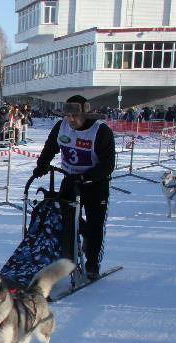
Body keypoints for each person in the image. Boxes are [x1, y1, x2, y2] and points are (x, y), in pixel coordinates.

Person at [33, 95, 116, 280]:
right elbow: (50, 148)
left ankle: (92, 263)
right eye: (67, 115)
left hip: (96, 184)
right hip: (71, 180)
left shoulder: (100, 131)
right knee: (67, 218)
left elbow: (107, 165)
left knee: (96, 224)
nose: (70, 120)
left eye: (75, 116)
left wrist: (86, 177)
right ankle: (76, 244)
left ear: (86, 114)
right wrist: (41, 166)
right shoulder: (61, 127)